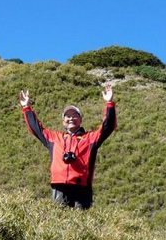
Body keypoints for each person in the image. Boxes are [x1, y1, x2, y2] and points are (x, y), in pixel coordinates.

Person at [18, 82, 116, 210]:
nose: (71, 118)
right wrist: (26, 107)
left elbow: (108, 127)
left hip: (82, 188)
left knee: (80, 223)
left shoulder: (90, 138)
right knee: (59, 222)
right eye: (67, 116)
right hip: (59, 187)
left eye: (75, 116)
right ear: (63, 121)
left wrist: (109, 104)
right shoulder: (55, 138)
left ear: (80, 120)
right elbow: (36, 129)